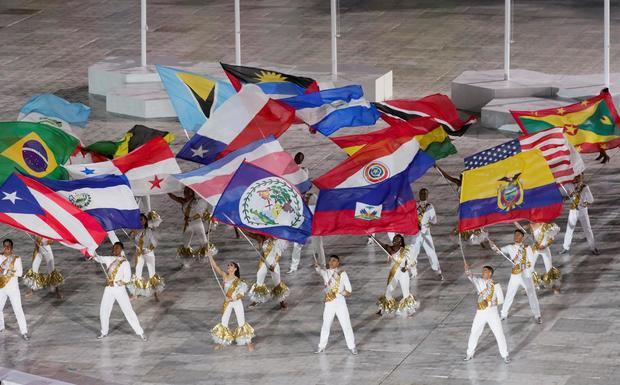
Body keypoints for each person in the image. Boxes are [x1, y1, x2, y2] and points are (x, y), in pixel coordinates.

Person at [93, 242, 146, 341]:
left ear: (122, 250)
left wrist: (115, 283)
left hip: (120, 290)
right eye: (114, 248)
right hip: (108, 289)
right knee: (104, 310)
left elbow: (127, 279)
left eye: (117, 248)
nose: (115, 250)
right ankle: (104, 332)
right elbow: (98, 258)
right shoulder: (109, 259)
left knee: (128, 311)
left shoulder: (125, 263)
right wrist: (90, 250)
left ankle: (140, 332)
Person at [207, 250, 254, 352]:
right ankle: (222, 343)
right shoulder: (224, 275)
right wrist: (210, 256)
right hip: (227, 303)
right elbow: (215, 267)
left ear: (235, 268)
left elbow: (241, 294)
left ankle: (249, 342)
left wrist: (231, 298)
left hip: (236, 303)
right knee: (224, 322)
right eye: (228, 265)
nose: (228, 266)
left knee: (241, 322)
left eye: (231, 265)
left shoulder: (239, 281)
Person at [491, 230, 542, 323]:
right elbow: (499, 251)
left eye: (518, 235)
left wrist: (522, 266)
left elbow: (531, 263)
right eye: (514, 235)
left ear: (522, 237)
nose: (515, 236)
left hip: (526, 276)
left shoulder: (527, 248)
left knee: (532, 295)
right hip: (515, 275)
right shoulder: (510, 247)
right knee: (509, 294)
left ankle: (537, 315)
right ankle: (503, 314)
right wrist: (493, 246)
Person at [463, 263, 510, 363]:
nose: (482, 272)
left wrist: (488, 302)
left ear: (489, 273)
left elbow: (501, 300)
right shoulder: (478, 282)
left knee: (499, 334)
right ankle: (469, 353)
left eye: (484, 271)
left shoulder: (495, 285)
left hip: (492, 313)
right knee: (474, 332)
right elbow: (470, 276)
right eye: (482, 270)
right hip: (480, 313)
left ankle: (505, 355)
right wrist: (467, 270)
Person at [315, 255, 357, 355]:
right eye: (330, 261)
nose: (331, 262)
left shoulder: (342, 274)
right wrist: (316, 266)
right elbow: (319, 270)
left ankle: (352, 346)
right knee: (326, 325)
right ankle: (321, 346)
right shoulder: (325, 273)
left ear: (338, 263)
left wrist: (339, 293)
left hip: (340, 302)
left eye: (334, 261)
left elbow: (349, 290)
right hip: (329, 303)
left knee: (346, 324)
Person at [376, 234, 419, 317]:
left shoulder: (406, 250)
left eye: (397, 239)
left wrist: (406, 268)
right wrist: (374, 238)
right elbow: (381, 244)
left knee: (405, 293)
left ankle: (410, 310)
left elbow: (413, 262)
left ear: (400, 242)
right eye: (394, 239)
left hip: (403, 274)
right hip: (394, 274)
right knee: (388, 291)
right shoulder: (389, 249)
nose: (394, 240)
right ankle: (382, 310)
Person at [168, 187, 211, 264]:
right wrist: (165, 189)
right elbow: (172, 197)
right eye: (185, 191)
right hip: (188, 224)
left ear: (192, 192)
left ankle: (210, 260)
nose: (186, 193)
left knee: (203, 242)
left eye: (188, 191)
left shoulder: (197, 201)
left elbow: (202, 212)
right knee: (186, 243)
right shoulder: (183, 201)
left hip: (197, 223)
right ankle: (186, 261)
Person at [246, 233, 289, 309]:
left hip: (273, 263)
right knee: (259, 281)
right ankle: (256, 300)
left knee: (277, 282)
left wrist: (274, 264)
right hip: (263, 262)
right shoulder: (261, 238)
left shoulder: (277, 240)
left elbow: (278, 254)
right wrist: (239, 226)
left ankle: (281, 301)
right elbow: (250, 234)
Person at [128, 212, 164, 300]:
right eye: (138, 220)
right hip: (139, 253)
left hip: (148, 253)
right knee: (138, 273)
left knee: (152, 273)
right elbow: (131, 238)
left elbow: (154, 243)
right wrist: (133, 233)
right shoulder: (135, 230)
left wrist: (147, 249)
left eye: (142, 219)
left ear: (145, 221)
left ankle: (156, 293)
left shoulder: (149, 230)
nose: (140, 221)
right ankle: (135, 294)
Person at [561, 174, 599, 255]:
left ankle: (593, 247)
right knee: (569, 229)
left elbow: (591, 200)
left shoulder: (585, 187)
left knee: (587, 229)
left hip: (582, 211)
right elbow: (566, 195)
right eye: (576, 177)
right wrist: (565, 198)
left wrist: (582, 205)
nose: (577, 179)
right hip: (573, 211)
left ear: (582, 178)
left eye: (579, 177)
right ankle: (565, 247)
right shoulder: (569, 186)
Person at [411, 188, 444, 280]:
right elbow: (410, 216)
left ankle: (438, 271)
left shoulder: (430, 206)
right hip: (416, 231)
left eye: (425, 194)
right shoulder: (414, 205)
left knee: (431, 251)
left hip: (426, 232)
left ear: (427, 195)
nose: (423, 195)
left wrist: (426, 223)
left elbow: (434, 221)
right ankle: (413, 271)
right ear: (419, 194)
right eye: (422, 193)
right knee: (413, 251)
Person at [289, 191, 325, 273]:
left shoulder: (313, 197)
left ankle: (322, 264)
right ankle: (293, 267)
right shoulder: (297, 197)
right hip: (303, 227)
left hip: (314, 226)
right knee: (297, 246)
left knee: (318, 246)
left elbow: (317, 211)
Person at [0, 239, 29, 340]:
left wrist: (5, 271)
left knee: (18, 309)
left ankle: (24, 331)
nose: (7, 248)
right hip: (1, 287)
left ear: (12, 248)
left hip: (13, 289)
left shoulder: (16, 259)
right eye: (5, 246)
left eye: (9, 246)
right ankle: (1, 326)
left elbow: (20, 273)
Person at [529, 222, 561, 292]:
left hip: (545, 249)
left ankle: (553, 285)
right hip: (535, 249)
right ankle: (534, 283)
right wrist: (515, 221)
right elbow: (532, 237)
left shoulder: (546, 226)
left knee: (549, 268)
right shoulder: (531, 224)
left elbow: (552, 238)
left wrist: (545, 245)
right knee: (530, 267)